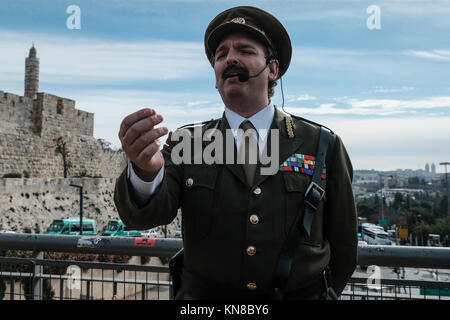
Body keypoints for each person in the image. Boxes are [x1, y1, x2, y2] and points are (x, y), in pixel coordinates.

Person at [114, 6, 357, 300]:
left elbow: (343, 249)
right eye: (220, 55)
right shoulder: (186, 143)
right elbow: (143, 218)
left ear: (272, 69)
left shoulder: (322, 144)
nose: (230, 58)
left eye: (244, 50)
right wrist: (145, 171)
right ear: (216, 78)